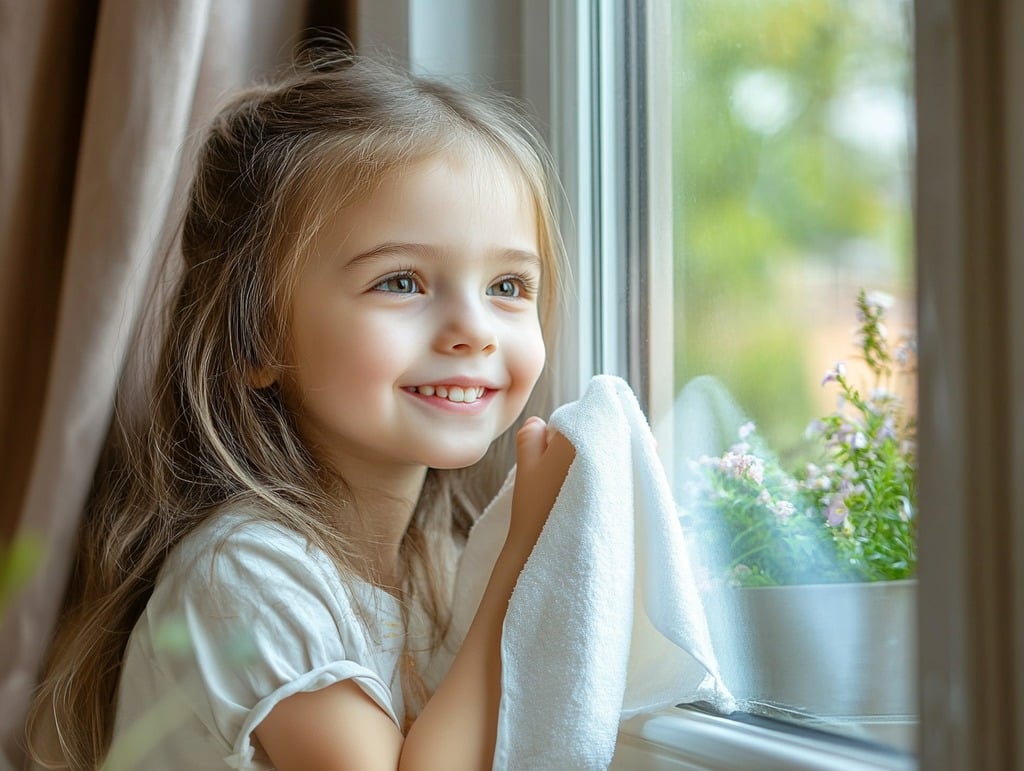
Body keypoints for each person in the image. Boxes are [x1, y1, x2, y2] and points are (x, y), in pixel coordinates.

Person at [25, 52, 575, 771]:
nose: (474, 328)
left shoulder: (440, 562)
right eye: (402, 280)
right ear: (259, 338)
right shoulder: (244, 577)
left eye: (508, 283)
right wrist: (523, 561)